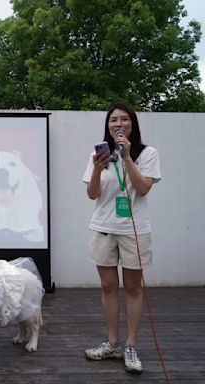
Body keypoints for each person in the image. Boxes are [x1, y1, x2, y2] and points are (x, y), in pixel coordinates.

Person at [82, 103, 161, 373]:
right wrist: (96, 167)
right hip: (102, 227)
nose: (118, 123)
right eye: (113, 120)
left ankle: (130, 345)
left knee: (134, 287)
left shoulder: (147, 153)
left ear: (132, 124)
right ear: (107, 125)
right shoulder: (98, 154)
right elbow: (92, 194)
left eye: (124, 119)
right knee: (107, 286)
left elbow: (143, 188)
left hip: (134, 229)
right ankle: (113, 343)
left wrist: (127, 156)